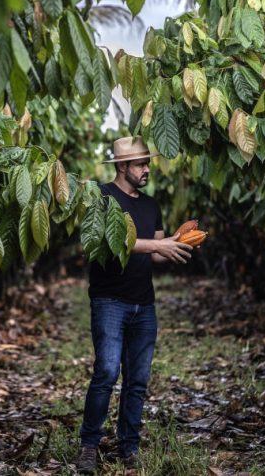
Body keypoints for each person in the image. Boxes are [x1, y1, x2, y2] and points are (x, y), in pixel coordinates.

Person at [75, 136, 194, 473]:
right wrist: (160, 245)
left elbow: (156, 252)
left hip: (144, 305)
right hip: (109, 300)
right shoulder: (101, 197)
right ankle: (89, 446)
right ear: (123, 167)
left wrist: (178, 245)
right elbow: (106, 242)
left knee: (137, 379)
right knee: (107, 372)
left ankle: (129, 446)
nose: (146, 169)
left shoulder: (151, 205)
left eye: (147, 163)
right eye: (140, 164)